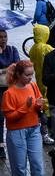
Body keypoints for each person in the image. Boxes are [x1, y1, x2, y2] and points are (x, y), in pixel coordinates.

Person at [1, 60, 45, 176]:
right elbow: (10, 117)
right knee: (19, 168)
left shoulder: (33, 86)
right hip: (16, 132)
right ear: (18, 74)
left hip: (34, 129)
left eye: (32, 74)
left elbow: (38, 103)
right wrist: (26, 107)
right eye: (27, 75)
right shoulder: (9, 93)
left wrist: (39, 104)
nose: (30, 78)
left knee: (37, 165)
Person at [0, 29, 20, 158]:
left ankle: (15, 144)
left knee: (14, 116)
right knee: (0, 118)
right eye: (0, 37)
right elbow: (12, 67)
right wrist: (7, 69)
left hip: (11, 89)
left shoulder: (12, 50)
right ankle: (1, 145)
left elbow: (18, 67)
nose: (3, 39)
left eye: (5, 36)